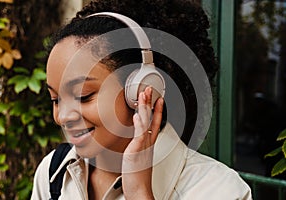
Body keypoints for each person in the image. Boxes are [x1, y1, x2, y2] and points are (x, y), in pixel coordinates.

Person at [31, 0, 252, 199]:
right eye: (56, 99)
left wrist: (139, 192)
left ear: (143, 89)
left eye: (84, 96)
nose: (63, 116)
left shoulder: (219, 190)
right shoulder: (53, 173)